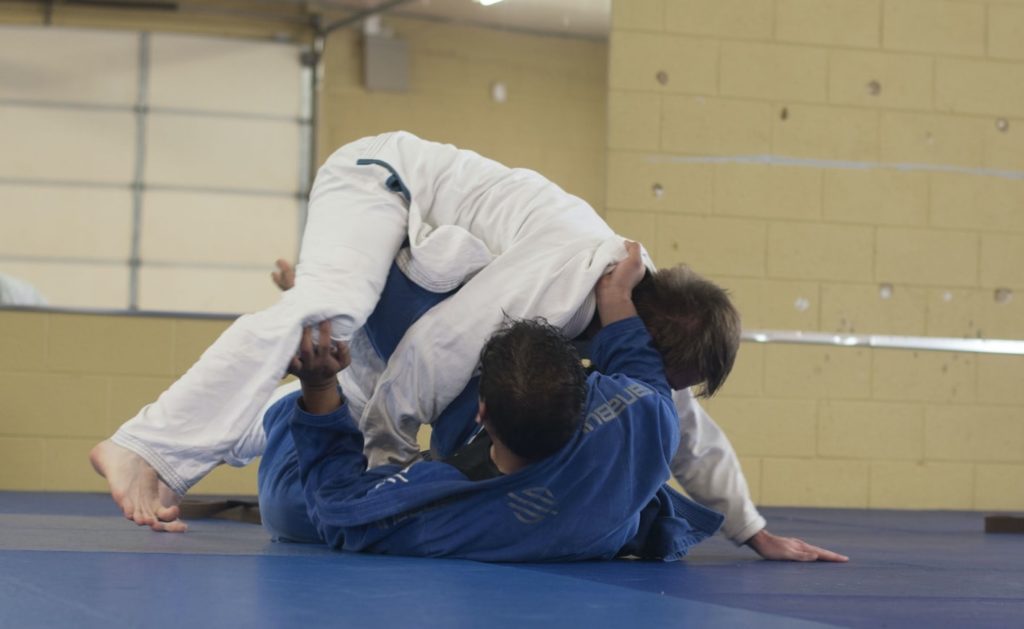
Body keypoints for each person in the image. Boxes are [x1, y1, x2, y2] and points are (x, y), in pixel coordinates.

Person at [90, 131, 845, 562]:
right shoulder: (563, 279)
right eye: (666, 369)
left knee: (338, 368)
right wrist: (385, 468)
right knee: (332, 309)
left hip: (425, 258)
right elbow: (432, 349)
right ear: (645, 333)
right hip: (378, 183)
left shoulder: (633, 329)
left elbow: (684, 425)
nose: (659, 383)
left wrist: (752, 528)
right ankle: (145, 445)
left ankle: (286, 396)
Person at [257, 243, 723, 560]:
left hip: (325, 448)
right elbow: (638, 361)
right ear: (584, 394)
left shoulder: (448, 510)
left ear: (483, 413)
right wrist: (619, 297)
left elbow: (336, 508)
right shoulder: (644, 419)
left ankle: (309, 393)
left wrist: (318, 389)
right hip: (573, 507)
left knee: (289, 510)